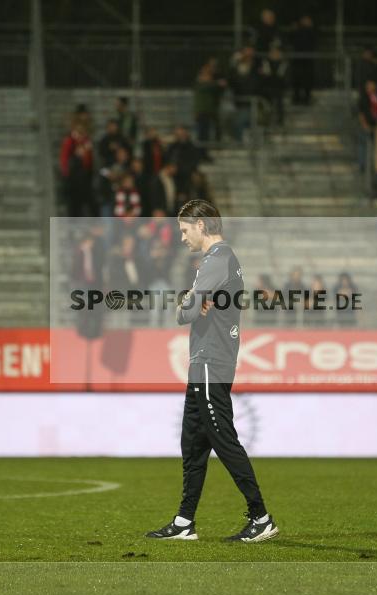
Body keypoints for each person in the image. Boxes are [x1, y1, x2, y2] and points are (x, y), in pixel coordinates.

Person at [146, 199, 277, 544]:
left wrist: (188, 302)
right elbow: (192, 306)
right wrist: (191, 301)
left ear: (200, 226)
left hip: (211, 361)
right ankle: (184, 521)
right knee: (192, 443)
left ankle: (261, 517)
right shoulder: (222, 260)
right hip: (204, 361)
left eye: (184, 230)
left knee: (223, 438)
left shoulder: (216, 260)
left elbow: (184, 313)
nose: (182, 237)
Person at [59, 123, 94, 217]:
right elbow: (64, 159)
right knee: (73, 205)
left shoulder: (86, 141)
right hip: (72, 178)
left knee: (82, 204)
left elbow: (88, 162)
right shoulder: (69, 141)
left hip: (83, 178)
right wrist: (66, 174)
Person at [229, 46, 259, 141]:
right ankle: (239, 140)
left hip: (249, 101)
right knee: (235, 122)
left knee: (240, 122)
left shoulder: (255, 68)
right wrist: (234, 63)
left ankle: (240, 141)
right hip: (237, 101)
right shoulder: (236, 69)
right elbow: (231, 81)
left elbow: (254, 84)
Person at [357, 80, 377, 196]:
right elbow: (361, 113)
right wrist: (365, 125)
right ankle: (363, 164)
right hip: (366, 127)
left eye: (373, 86)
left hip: (376, 127)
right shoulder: (363, 99)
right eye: (369, 86)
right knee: (364, 145)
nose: (371, 88)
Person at [193, 63, 225, 144]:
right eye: (206, 75)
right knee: (203, 132)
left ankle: (217, 145)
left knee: (217, 129)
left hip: (212, 110)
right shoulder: (200, 84)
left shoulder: (212, 85)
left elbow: (221, 89)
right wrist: (217, 83)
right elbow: (209, 86)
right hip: (202, 111)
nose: (208, 77)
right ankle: (203, 148)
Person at [288, 15, 316, 105]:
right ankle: (296, 97)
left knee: (307, 79)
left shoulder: (311, 31)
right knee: (297, 79)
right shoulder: (297, 30)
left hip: (307, 59)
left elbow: (314, 42)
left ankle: (306, 98)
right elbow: (292, 40)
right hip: (298, 59)